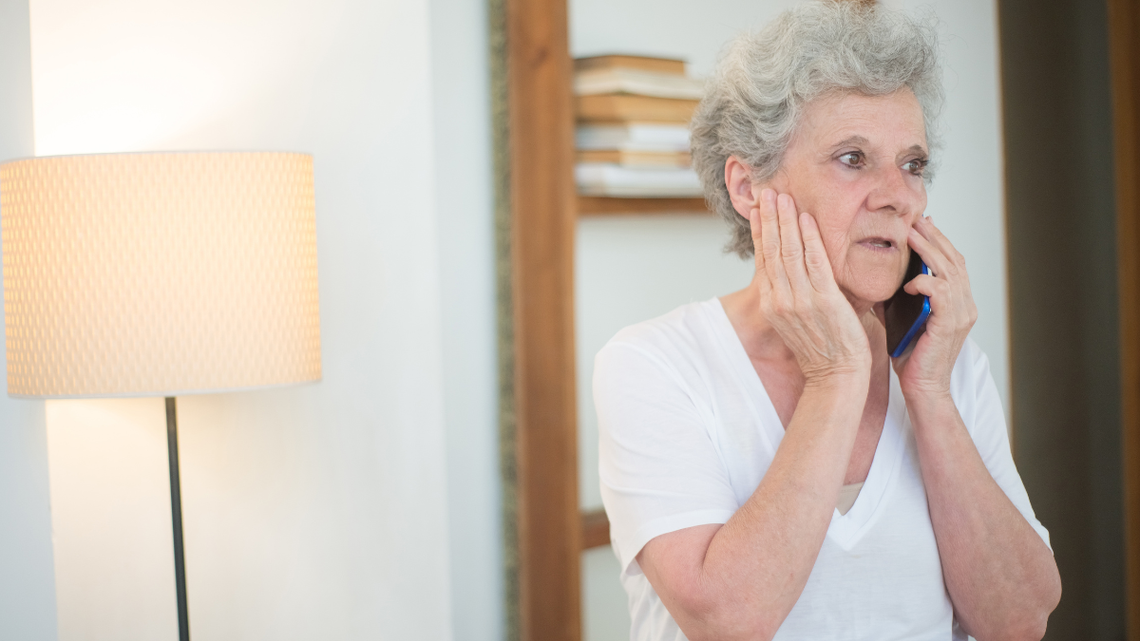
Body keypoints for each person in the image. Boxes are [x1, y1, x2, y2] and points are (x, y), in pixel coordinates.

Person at [593, 3, 1062, 640]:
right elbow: (729, 622)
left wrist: (930, 395)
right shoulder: (653, 366)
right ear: (748, 188)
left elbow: (1019, 620)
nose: (898, 195)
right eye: (853, 158)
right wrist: (837, 375)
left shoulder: (945, 364)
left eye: (913, 164)